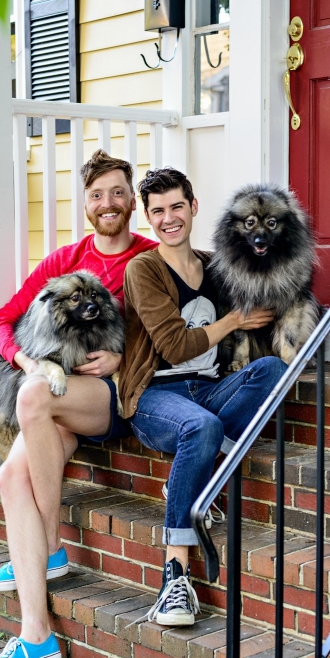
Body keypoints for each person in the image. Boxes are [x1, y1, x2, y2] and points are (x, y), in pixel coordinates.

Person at [0, 151, 156, 658]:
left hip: (114, 395)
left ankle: (50, 543)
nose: (109, 204)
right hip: (56, 389)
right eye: (98, 194)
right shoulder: (65, 260)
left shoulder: (151, 259)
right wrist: (29, 360)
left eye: (119, 192)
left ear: (132, 201)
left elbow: (177, 335)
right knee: (10, 475)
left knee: (32, 399)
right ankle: (37, 635)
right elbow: (2, 322)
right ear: (86, 203)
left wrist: (127, 359)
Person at [120, 168, 287, 626]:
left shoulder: (215, 266)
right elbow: (174, 347)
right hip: (156, 396)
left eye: (177, 206)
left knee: (272, 370)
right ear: (148, 218)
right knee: (202, 427)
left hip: (209, 389)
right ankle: (174, 577)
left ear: (193, 207)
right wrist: (234, 321)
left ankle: (193, 478)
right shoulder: (144, 269)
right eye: (158, 211)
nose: (169, 218)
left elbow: (264, 293)